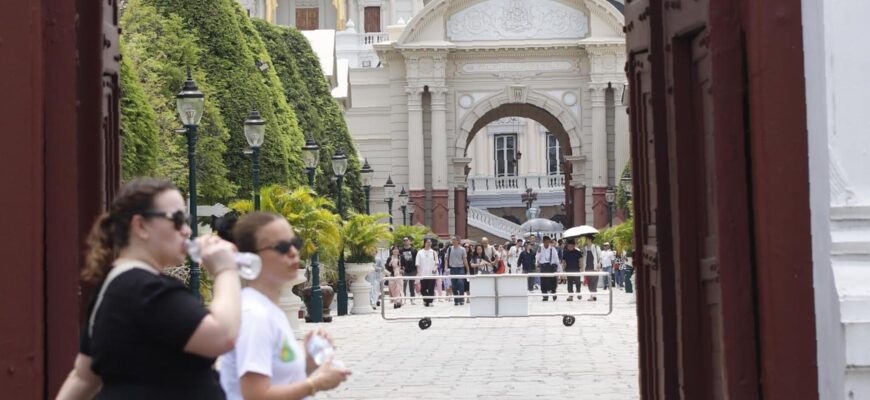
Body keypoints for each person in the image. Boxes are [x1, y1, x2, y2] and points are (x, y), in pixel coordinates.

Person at [57, 178, 242, 399]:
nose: (186, 230)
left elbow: (83, 377)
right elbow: (222, 336)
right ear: (141, 226)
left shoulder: (115, 286)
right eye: (178, 220)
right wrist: (225, 270)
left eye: (187, 221)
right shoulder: (146, 289)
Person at [218, 212, 350, 399]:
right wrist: (316, 383)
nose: (293, 252)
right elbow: (255, 395)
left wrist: (308, 363)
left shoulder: (269, 309)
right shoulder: (254, 315)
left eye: (295, 244)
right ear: (250, 258)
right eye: (281, 247)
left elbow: (279, 381)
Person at [445, 237, 470, 305]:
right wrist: (446, 267)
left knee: (460, 283)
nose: (453, 241)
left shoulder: (462, 249)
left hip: (460, 268)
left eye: (454, 240)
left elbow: (465, 259)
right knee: (454, 285)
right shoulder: (449, 249)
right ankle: (456, 300)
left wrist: (467, 269)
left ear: (458, 241)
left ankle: (461, 299)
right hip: (452, 268)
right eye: (452, 240)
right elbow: (446, 259)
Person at [415, 238, 439, 307]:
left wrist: (435, 268)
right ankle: (426, 300)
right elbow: (417, 263)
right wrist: (418, 272)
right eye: (428, 242)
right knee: (423, 289)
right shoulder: (420, 252)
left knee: (431, 288)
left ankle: (430, 302)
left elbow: (436, 263)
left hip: (432, 274)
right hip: (423, 274)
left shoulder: (434, 252)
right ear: (424, 243)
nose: (429, 243)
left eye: (430, 242)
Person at [536, 236, 561, 301]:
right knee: (543, 282)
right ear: (543, 242)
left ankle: (554, 293)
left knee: (553, 281)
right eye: (545, 242)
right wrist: (537, 264)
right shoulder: (540, 248)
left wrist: (559, 268)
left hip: (551, 266)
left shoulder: (552, 249)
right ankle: (545, 296)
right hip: (543, 266)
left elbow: (556, 258)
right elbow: (537, 257)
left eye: (548, 242)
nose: (547, 244)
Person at [580, 235, 603, 301]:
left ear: (590, 239)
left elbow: (600, 257)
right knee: (589, 282)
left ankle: (593, 295)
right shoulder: (584, 248)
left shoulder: (596, 247)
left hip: (594, 267)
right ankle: (592, 295)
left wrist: (599, 264)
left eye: (586, 239)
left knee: (594, 282)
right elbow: (582, 256)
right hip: (587, 267)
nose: (586, 240)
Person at [399, 237, 418, 304]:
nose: (406, 242)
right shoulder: (401, 250)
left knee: (412, 285)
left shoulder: (414, 250)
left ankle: (412, 299)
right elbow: (399, 260)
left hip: (413, 269)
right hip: (404, 270)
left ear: (410, 241)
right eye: (404, 240)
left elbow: (417, 260)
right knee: (403, 285)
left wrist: (417, 270)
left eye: (407, 240)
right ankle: (403, 299)